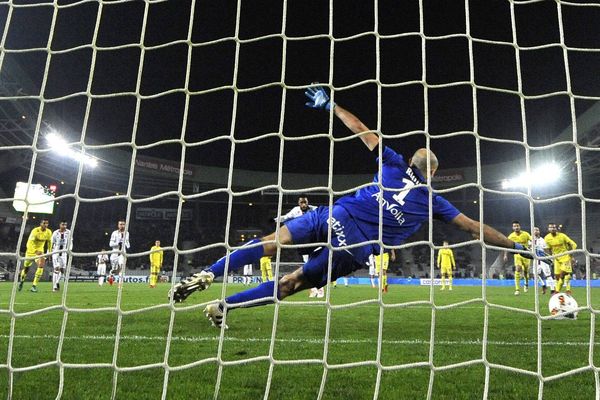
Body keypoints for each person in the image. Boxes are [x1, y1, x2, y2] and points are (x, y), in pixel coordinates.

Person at [170, 86, 529, 329]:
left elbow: (360, 128)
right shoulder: (435, 201)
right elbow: (473, 227)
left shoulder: (392, 163)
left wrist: (331, 105)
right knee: (291, 283)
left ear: (410, 160)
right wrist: (517, 247)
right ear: (433, 173)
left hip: (336, 215)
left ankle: (209, 272)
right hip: (355, 246)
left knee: (270, 241)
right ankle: (224, 307)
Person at [276, 196, 323, 298]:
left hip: (315, 240)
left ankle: (320, 290)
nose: (303, 204)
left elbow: (323, 215)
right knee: (308, 266)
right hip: (304, 241)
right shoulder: (296, 210)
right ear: (298, 203)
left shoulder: (314, 209)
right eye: (301, 202)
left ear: (307, 202)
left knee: (316, 265)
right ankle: (314, 290)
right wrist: (275, 220)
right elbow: (286, 217)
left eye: (305, 202)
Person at [19, 218, 52, 292]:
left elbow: (49, 242)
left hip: (40, 252)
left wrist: (49, 252)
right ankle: (22, 281)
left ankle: (34, 286)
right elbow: (29, 243)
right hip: (30, 252)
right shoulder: (35, 231)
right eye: (44, 223)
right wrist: (35, 251)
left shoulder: (49, 232)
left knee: (41, 265)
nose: (45, 225)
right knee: (26, 268)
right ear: (40, 224)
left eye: (47, 223)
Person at [544, 223, 577, 294]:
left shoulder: (562, 236)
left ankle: (558, 291)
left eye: (554, 227)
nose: (552, 229)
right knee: (557, 277)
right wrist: (550, 257)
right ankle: (563, 290)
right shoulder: (547, 238)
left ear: (556, 228)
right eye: (551, 227)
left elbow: (573, 244)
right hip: (556, 259)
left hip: (566, 258)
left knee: (563, 274)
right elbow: (548, 249)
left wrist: (571, 255)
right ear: (548, 229)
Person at [503, 221, 531, 295]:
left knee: (525, 272)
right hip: (517, 255)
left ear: (520, 226)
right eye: (515, 226)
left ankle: (526, 283)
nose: (516, 227)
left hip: (526, 255)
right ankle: (517, 289)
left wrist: (531, 247)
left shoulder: (526, 234)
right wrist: (505, 255)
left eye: (517, 226)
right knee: (518, 269)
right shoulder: (511, 236)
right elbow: (506, 245)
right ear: (513, 228)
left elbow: (532, 241)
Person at [50, 220, 71, 292]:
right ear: (60, 225)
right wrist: (49, 252)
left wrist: (69, 249)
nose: (64, 226)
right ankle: (54, 286)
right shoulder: (55, 233)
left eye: (65, 225)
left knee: (62, 270)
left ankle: (57, 282)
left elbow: (70, 242)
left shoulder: (69, 232)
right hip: (56, 252)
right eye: (63, 225)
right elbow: (51, 242)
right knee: (56, 269)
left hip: (64, 253)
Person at [532, 227, 554, 294]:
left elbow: (546, 250)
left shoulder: (542, 240)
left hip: (543, 260)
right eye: (534, 230)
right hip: (535, 260)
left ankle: (552, 289)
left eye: (537, 230)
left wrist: (550, 258)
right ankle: (543, 285)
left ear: (539, 231)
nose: (536, 231)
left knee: (548, 275)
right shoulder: (530, 240)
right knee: (535, 275)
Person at [109, 219, 130, 286]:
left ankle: (120, 283)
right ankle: (110, 277)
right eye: (121, 224)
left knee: (122, 267)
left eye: (123, 224)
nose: (122, 226)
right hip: (115, 253)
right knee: (114, 269)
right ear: (118, 225)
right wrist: (117, 243)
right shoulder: (114, 233)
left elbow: (128, 244)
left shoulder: (127, 233)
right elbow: (110, 244)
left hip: (122, 253)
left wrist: (127, 244)